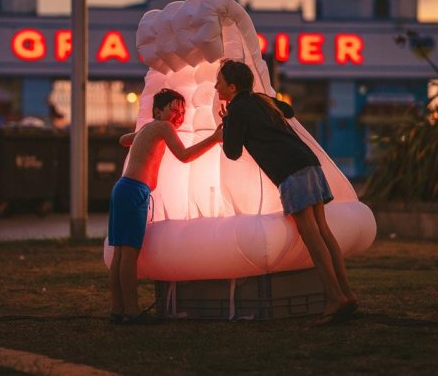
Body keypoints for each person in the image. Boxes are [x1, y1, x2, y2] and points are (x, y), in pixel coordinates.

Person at [215, 59, 358, 326]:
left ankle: (333, 298)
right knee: (323, 230)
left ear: (232, 87)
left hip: (289, 170)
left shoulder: (236, 110)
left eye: (219, 82)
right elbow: (288, 110)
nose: (215, 86)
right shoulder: (260, 100)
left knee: (310, 234)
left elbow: (232, 152)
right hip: (308, 162)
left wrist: (227, 126)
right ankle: (346, 295)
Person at [108, 88, 223, 325]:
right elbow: (183, 155)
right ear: (158, 112)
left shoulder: (151, 128)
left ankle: (117, 309)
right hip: (134, 190)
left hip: (123, 189)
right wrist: (214, 138)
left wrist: (139, 135)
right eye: (174, 109)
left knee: (121, 253)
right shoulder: (163, 127)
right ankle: (131, 310)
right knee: (129, 254)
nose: (178, 115)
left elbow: (122, 140)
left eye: (182, 111)